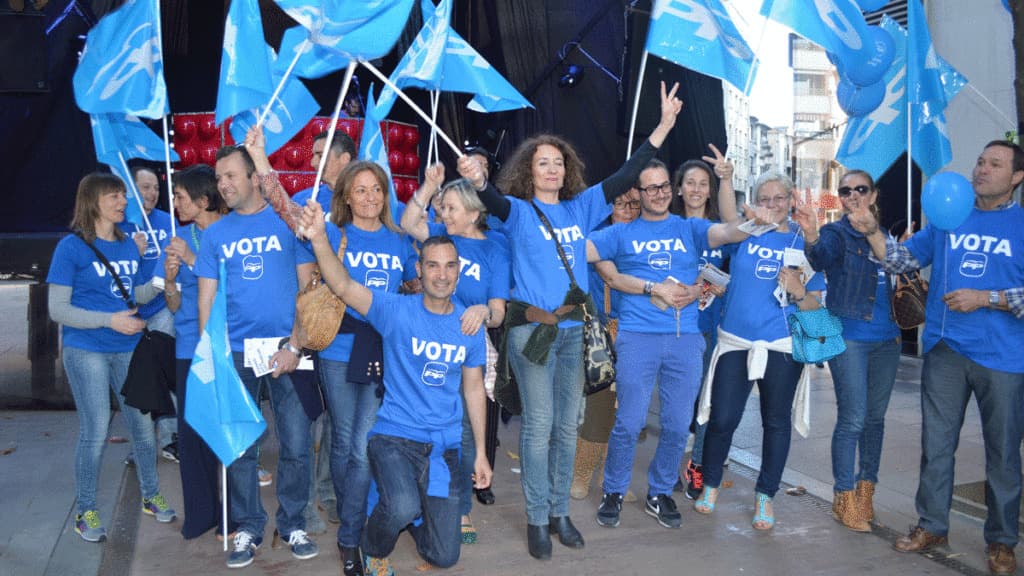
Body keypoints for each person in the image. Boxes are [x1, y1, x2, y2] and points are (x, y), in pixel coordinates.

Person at [457, 81, 683, 560]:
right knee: (538, 426)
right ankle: (538, 518)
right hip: (531, 333)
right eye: (543, 162)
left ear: (567, 169)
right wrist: (477, 180)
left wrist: (661, 127)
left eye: (558, 161)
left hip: (574, 333)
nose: (552, 168)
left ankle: (560, 513)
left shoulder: (583, 207)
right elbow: (491, 202)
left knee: (567, 426)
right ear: (529, 170)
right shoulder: (516, 212)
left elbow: (627, 175)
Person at [245, 124, 419, 576]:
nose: (368, 197)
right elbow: (284, 207)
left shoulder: (400, 239)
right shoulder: (332, 231)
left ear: (384, 194)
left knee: (358, 446)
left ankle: (350, 535)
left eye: (375, 189)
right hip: (339, 349)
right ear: (345, 194)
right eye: (359, 190)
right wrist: (262, 160)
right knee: (346, 443)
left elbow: (418, 288)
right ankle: (352, 532)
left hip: (386, 351)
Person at [858, 141, 1024, 576]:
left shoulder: (1021, 224)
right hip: (946, 349)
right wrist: (872, 229)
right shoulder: (951, 215)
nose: (982, 169)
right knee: (936, 446)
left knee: (1003, 454)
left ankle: (1002, 541)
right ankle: (933, 525)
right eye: (981, 161)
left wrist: (987, 298)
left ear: (1017, 177)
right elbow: (900, 261)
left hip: (1003, 357)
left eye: (995, 164)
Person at [301, 201, 492, 576]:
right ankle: (371, 546)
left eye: (450, 266)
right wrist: (321, 238)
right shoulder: (395, 310)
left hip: (442, 447)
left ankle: (423, 517)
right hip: (394, 438)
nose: (441, 274)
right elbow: (342, 285)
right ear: (419, 270)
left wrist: (481, 453)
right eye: (432, 265)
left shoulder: (469, 325)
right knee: (401, 504)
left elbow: (473, 391)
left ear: (459, 272)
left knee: (445, 556)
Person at [585, 157, 753, 529]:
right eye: (651, 188)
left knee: (678, 425)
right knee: (628, 422)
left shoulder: (689, 228)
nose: (659, 194)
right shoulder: (622, 233)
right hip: (637, 338)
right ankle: (613, 489)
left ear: (670, 189)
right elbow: (578, 248)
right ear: (639, 193)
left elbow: (731, 233)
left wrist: (729, 186)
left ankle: (659, 492)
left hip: (685, 339)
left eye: (664, 186)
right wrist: (612, 270)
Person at [196, 145, 318, 568]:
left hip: (288, 353)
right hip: (235, 355)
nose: (222, 184)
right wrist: (211, 357)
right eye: (218, 178)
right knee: (241, 447)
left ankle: (293, 522)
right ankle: (248, 525)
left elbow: (308, 292)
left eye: (230, 175)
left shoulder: (287, 224)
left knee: (297, 444)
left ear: (253, 178)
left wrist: (295, 346)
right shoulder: (214, 235)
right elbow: (206, 303)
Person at [47, 172, 176, 543]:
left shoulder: (126, 245)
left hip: (126, 348)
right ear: (93, 202)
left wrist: (160, 281)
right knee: (96, 429)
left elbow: (131, 297)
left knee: (143, 427)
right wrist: (110, 321)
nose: (123, 202)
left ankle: (151, 495)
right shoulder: (70, 248)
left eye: (123, 195)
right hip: (86, 348)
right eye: (115, 196)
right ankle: (86, 510)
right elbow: (58, 309)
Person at [694, 172, 826, 531]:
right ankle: (710, 485)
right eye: (764, 199)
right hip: (736, 342)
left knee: (776, 422)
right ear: (753, 202)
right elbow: (725, 217)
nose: (772, 205)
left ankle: (766, 495)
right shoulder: (744, 233)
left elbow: (816, 306)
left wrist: (798, 288)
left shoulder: (804, 240)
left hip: (782, 346)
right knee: (722, 419)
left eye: (779, 198)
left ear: (790, 200)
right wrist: (725, 179)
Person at [401, 167, 510, 544]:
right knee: (421, 424)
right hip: (425, 344)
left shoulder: (495, 248)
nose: (443, 214)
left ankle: (462, 509)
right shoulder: (440, 237)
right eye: (442, 208)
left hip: (467, 349)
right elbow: (407, 219)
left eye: (450, 207)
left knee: (462, 432)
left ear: (473, 212)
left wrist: (483, 312)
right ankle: (415, 501)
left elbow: (499, 309)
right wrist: (430, 184)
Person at [792, 170, 900, 533]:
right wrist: (810, 233)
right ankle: (843, 496)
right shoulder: (837, 234)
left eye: (860, 189)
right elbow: (820, 257)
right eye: (845, 190)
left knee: (875, 419)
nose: (852, 195)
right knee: (853, 418)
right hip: (850, 337)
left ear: (873, 194)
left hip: (889, 340)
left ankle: (866, 490)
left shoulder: (884, 235)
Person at [154, 165, 231, 539]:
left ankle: (237, 514)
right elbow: (173, 305)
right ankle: (202, 514)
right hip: (189, 347)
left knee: (227, 430)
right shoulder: (178, 238)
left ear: (203, 200)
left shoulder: (231, 231)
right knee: (192, 432)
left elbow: (231, 287)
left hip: (229, 346)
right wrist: (170, 283)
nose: (176, 203)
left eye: (181, 196)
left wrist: (189, 260)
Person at [668, 151, 735, 500]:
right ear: (678, 189)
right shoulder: (666, 227)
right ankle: (669, 465)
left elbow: (733, 269)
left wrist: (719, 285)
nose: (695, 189)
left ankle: (695, 466)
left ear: (710, 191)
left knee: (707, 403)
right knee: (679, 405)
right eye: (690, 183)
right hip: (672, 329)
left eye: (703, 184)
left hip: (709, 328)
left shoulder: (718, 233)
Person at [569, 187, 640, 502]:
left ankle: (614, 481)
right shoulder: (593, 240)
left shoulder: (645, 241)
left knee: (628, 413)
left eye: (634, 204)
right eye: (620, 203)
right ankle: (582, 474)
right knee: (599, 407)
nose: (627, 209)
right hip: (600, 331)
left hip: (639, 333)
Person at [121, 166, 180, 463]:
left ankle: (171, 439)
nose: (152, 193)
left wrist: (158, 286)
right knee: (139, 382)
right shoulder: (119, 224)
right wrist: (135, 253)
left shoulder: (167, 222)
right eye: (144, 187)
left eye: (155, 188)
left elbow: (172, 262)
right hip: (126, 315)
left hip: (160, 310)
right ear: (129, 191)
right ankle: (142, 445)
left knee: (166, 375)